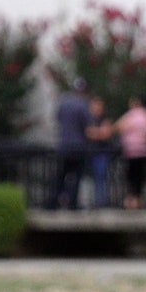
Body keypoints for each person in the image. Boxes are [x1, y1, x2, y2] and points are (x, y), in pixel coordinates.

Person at [47, 78, 91, 210]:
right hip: (78, 146)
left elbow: (57, 119)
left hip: (64, 144)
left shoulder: (63, 102)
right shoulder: (82, 104)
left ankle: (53, 201)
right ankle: (73, 203)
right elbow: (87, 126)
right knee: (76, 176)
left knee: (61, 174)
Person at [115, 96, 146, 209]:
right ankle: (138, 199)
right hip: (144, 150)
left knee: (131, 176)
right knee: (139, 177)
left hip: (132, 150)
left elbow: (120, 126)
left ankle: (131, 201)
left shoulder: (134, 114)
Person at [85, 95, 114, 208]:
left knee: (100, 178)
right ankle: (88, 204)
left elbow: (106, 133)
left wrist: (94, 133)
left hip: (101, 153)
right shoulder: (88, 119)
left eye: (98, 105)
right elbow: (86, 133)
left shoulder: (105, 119)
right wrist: (98, 132)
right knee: (87, 179)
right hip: (89, 152)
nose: (96, 108)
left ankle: (101, 204)